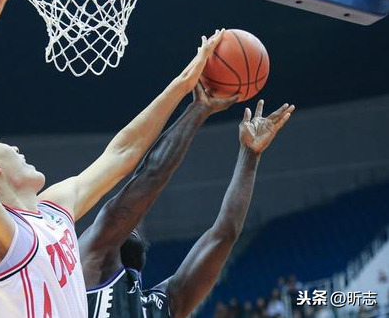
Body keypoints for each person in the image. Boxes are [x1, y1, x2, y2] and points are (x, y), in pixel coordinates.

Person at [0, 0, 225, 318]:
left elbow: (122, 153)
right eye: (2, 145)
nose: (15, 149)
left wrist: (182, 84)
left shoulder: (54, 212)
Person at [81, 86, 295, 318]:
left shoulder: (162, 305)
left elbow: (224, 234)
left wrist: (250, 155)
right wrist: (198, 108)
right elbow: (150, 176)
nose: (133, 225)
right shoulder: (88, 271)